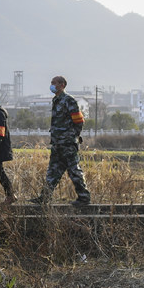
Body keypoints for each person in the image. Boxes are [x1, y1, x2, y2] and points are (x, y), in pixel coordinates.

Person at [31, 75, 91, 206]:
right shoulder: (56, 100)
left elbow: (79, 121)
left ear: (62, 85)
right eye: (52, 82)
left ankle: (84, 197)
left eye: (54, 83)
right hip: (57, 143)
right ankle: (45, 197)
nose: (52, 85)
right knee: (53, 171)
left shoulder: (69, 100)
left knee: (74, 170)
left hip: (67, 143)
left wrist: (72, 136)